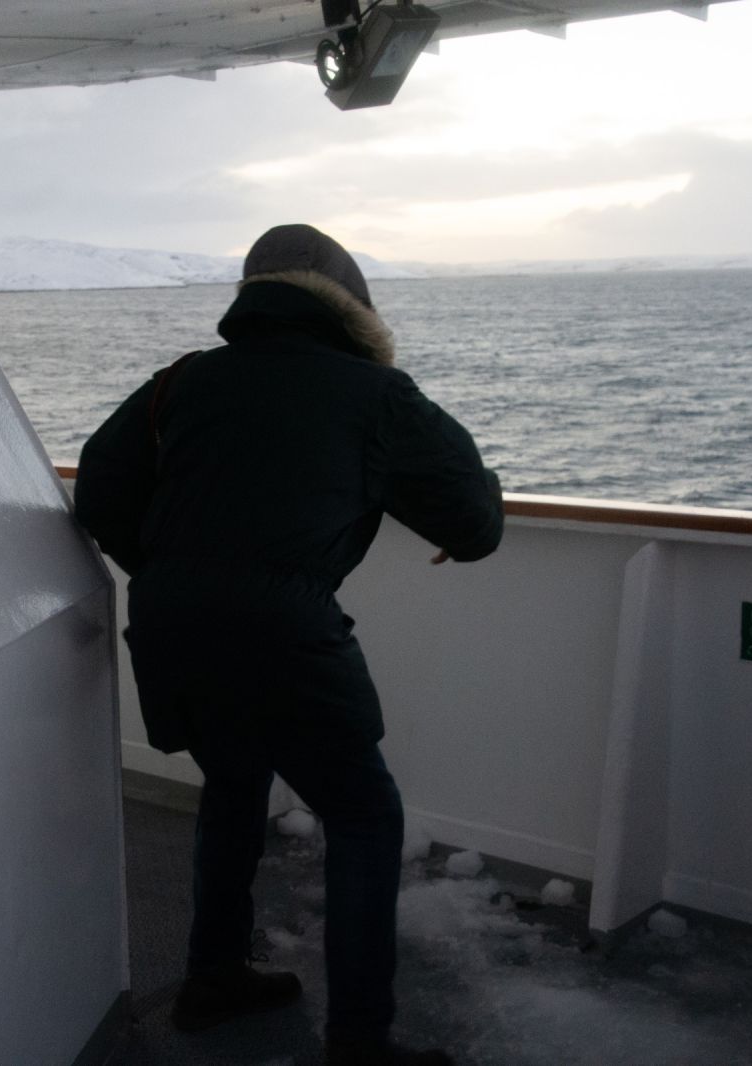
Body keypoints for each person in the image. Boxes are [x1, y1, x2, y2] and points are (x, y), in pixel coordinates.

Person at [75, 224, 502, 1066]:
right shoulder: (375, 394)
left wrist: (171, 570)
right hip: (282, 632)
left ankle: (213, 978)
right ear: (354, 310)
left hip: (172, 624)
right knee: (365, 817)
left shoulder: (181, 383)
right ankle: (358, 1045)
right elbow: (474, 524)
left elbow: (99, 483)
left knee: (234, 784)